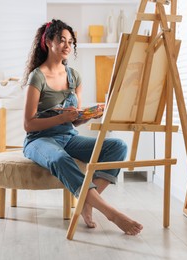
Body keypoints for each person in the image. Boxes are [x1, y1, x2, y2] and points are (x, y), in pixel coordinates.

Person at [21, 19, 143, 236]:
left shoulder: (74, 76)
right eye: (62, 40)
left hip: (68, 136)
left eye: (70, 41)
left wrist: (88, 115)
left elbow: (73, 119)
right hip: (39, 140)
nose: (67, 45)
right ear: (48, 42)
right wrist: (60, 120)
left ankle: (87, 203)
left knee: (117, 147)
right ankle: (109, 212)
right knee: (59, 158)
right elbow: (28, 124)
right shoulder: (37, 76)